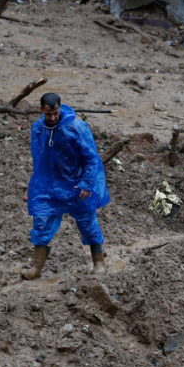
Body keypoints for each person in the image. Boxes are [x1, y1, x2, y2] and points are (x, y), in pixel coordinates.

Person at [23, 93, 111, 279]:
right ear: (41, 111)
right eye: (49, 114)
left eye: (55, 113)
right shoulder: (38, 128)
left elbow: (91, 157)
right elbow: (38, 156)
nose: (53, 118)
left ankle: (98, 261)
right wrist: (38, 183)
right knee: (41, 222)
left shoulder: (76, 127)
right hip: (48, 184)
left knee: (87, 222)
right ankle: (36, 268)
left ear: (60, 108)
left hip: (76, 184)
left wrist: (87, 182)